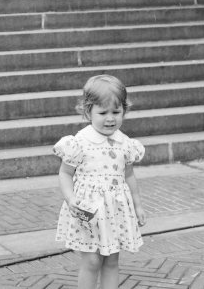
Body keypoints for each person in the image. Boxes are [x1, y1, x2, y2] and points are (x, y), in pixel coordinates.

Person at [53, 74, 146, 289]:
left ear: (125, 110)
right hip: (88, 211)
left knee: (112, 260)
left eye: (116, 112)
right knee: (92, 260)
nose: (110, 118)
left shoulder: (125, 143)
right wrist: (70, 198)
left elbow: (129, 175)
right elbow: (65, 173)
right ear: (88, 112)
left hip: (115, 212)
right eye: (102, 112)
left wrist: (138, 204)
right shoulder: (79, 142)